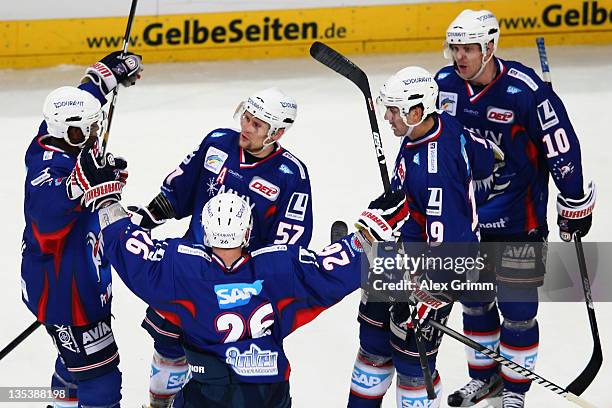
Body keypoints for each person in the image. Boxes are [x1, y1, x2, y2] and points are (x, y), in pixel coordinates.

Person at [70, 154, 409, 408]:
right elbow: (331, 267)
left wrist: (106, 197)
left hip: (208, 396)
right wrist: (368, 236)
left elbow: (125, 245)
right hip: (269, 395)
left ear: (204, 228)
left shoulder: (180, 267)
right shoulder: (281, 267)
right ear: (248, 231)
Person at [436, 10, 595, 408]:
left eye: (469, 48)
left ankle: (515, 391)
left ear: (489, 48)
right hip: (467, 222)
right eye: (456, 48)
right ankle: (485, 379)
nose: (461, 56)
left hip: (519, 223)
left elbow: (561, 147)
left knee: (518, 311)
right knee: (475, 303)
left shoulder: (524, 90)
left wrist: (573, 200)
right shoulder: (443, 86)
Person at [128, 87, 314, 407]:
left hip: (238, 288)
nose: (246, 126)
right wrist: (146, 218)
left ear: (278, 132)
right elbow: (179, 189)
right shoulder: (217, 142)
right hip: (190, 270)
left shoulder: (290, 175)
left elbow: (288, 245)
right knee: (169, 345)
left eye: (257, 125)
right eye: (246, 116)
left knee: (220, 367)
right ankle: (159, 404)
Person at [347, 66, 496, 408]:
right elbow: (486, 158)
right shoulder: (438, 125)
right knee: (372, 345)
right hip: (399, 254)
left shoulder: (435, 171)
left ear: (416, 112)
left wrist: (428, 293)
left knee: (413, 363)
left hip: (437, 270)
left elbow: (452, 245)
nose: (387, 117)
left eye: (394, 110)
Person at [20, 51, 142, 407]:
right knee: (101, 378)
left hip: (75, 282)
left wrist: (105, 77)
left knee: (75, 366)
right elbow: (46, 221)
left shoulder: (52, 135)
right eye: (87, 129)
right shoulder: (47, 172)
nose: (95, 134)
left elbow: (78, 102)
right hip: (65, 294)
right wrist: (82, 185)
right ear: (69, 131)